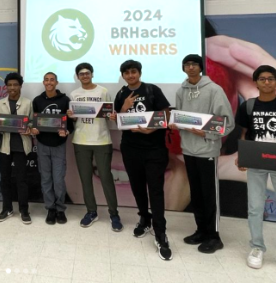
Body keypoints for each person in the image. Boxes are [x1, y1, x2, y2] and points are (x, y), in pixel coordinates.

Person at [170, 54, 234, 254]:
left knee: (209, 195)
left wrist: (206, 133)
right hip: (188, 150)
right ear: (183, 68)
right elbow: (180, 117)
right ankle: (200, 230)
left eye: (194, 64)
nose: (190, 68)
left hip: (207, 150)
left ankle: (214, 236)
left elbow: (227, 122)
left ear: (200, 67)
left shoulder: (214, 90)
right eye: (187, 65)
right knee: (196, 193)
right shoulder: (181, 91)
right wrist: (175, 123)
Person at [112, 60, 172, 260]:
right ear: (123, 75)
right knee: (137, 187)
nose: (130, 75)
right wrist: (124, 107)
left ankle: (160, 232)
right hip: (130, 148)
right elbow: (118, 120)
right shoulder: (121, 94)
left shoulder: (152, 90)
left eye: (133, 72)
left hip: (154, 149)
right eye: (127, 73)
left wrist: (152, 128)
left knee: (155, 189)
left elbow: (166, 113)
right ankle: (144, 218)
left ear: (139, 73)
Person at [234, 65, 276, 269]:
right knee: (255, 208)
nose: (266, 82)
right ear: (256, 82)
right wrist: (242, 155)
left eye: (271, 79)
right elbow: (244, 133)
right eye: (262, 79)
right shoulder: (248, 106)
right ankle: (257, 247)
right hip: (256, 162)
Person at [67, 62, 122, 231]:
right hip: (81, 140)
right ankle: (91, 211)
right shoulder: (74, 94)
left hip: (102, 140)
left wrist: (112, 116)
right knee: (85, 179)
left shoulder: (103, 91)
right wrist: (72, 116)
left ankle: (114, 213)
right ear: (77, 76)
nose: (84, 76)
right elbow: (74, 118)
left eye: (87, 73)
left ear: (92, 74)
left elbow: (109, 115)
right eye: (81, 74)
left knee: (106, 177)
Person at [0, 72, 33, 224]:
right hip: (5, 146)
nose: (12, 87)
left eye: (15, 84)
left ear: (20, 86)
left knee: (21, 180)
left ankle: (24, 210)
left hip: (21, 146)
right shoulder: (0, 103)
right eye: (10, 85)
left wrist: (29, 128)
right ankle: (6, 208)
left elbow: (33, 123)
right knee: (5, 179)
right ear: (6, 87)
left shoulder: (28, 103)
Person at [31, 72, 72, 225]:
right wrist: (34, 129)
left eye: (52, 80)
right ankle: (50, 209)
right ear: (43, 82)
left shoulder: (65, 100)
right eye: (46, 80)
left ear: (56, 82)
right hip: (42, 144)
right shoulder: (37, 100)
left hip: (59, 145)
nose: (49, 82)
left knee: (59, 179)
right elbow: (34, 122)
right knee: (46, 178)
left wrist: (66, 131)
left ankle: (60, 209)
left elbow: (70, 123)